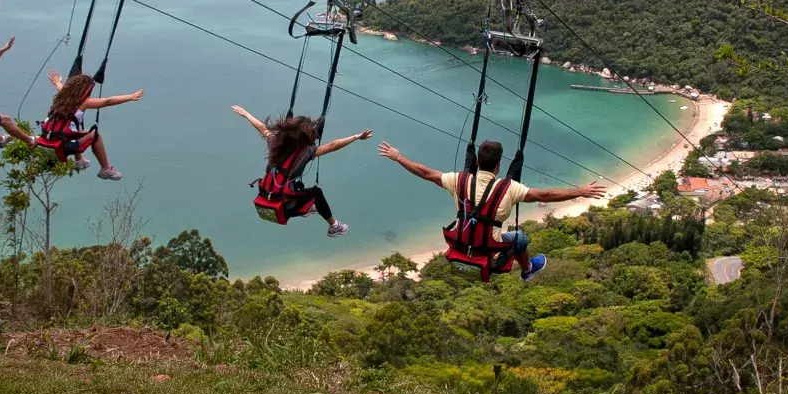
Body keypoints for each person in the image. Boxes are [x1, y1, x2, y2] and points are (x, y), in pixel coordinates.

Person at [378, 139, 606, 281]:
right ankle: (527, 270)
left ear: (477, 162)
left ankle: (526, 269)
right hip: (489, 249)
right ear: (498, 166)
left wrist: (399, 157)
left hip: (460, 242)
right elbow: (544, 195)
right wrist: (579, 191)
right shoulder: (509, 189)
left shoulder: (459, 181)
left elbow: (426, 172)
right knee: (520, 238)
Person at [232, 105, 372, 237]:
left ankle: (306, 207)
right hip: (284, 207)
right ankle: (334, 226)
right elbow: (332, 146)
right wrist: (356, 137)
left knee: (297, 187)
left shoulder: (275, 143)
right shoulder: (305, 152)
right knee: (316, 193)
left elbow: (262, 128)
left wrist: (245, 114)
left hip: (265, 198)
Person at [43, 70, 143, 181]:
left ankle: (79, 161)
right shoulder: (83, 102)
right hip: (65, 145)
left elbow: (60, 87)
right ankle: (106, 169)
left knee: (77, 130)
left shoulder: (62, 97)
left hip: (52, 137)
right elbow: (107, 101)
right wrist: (130, 97)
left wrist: (57, 82)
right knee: (95, 134)